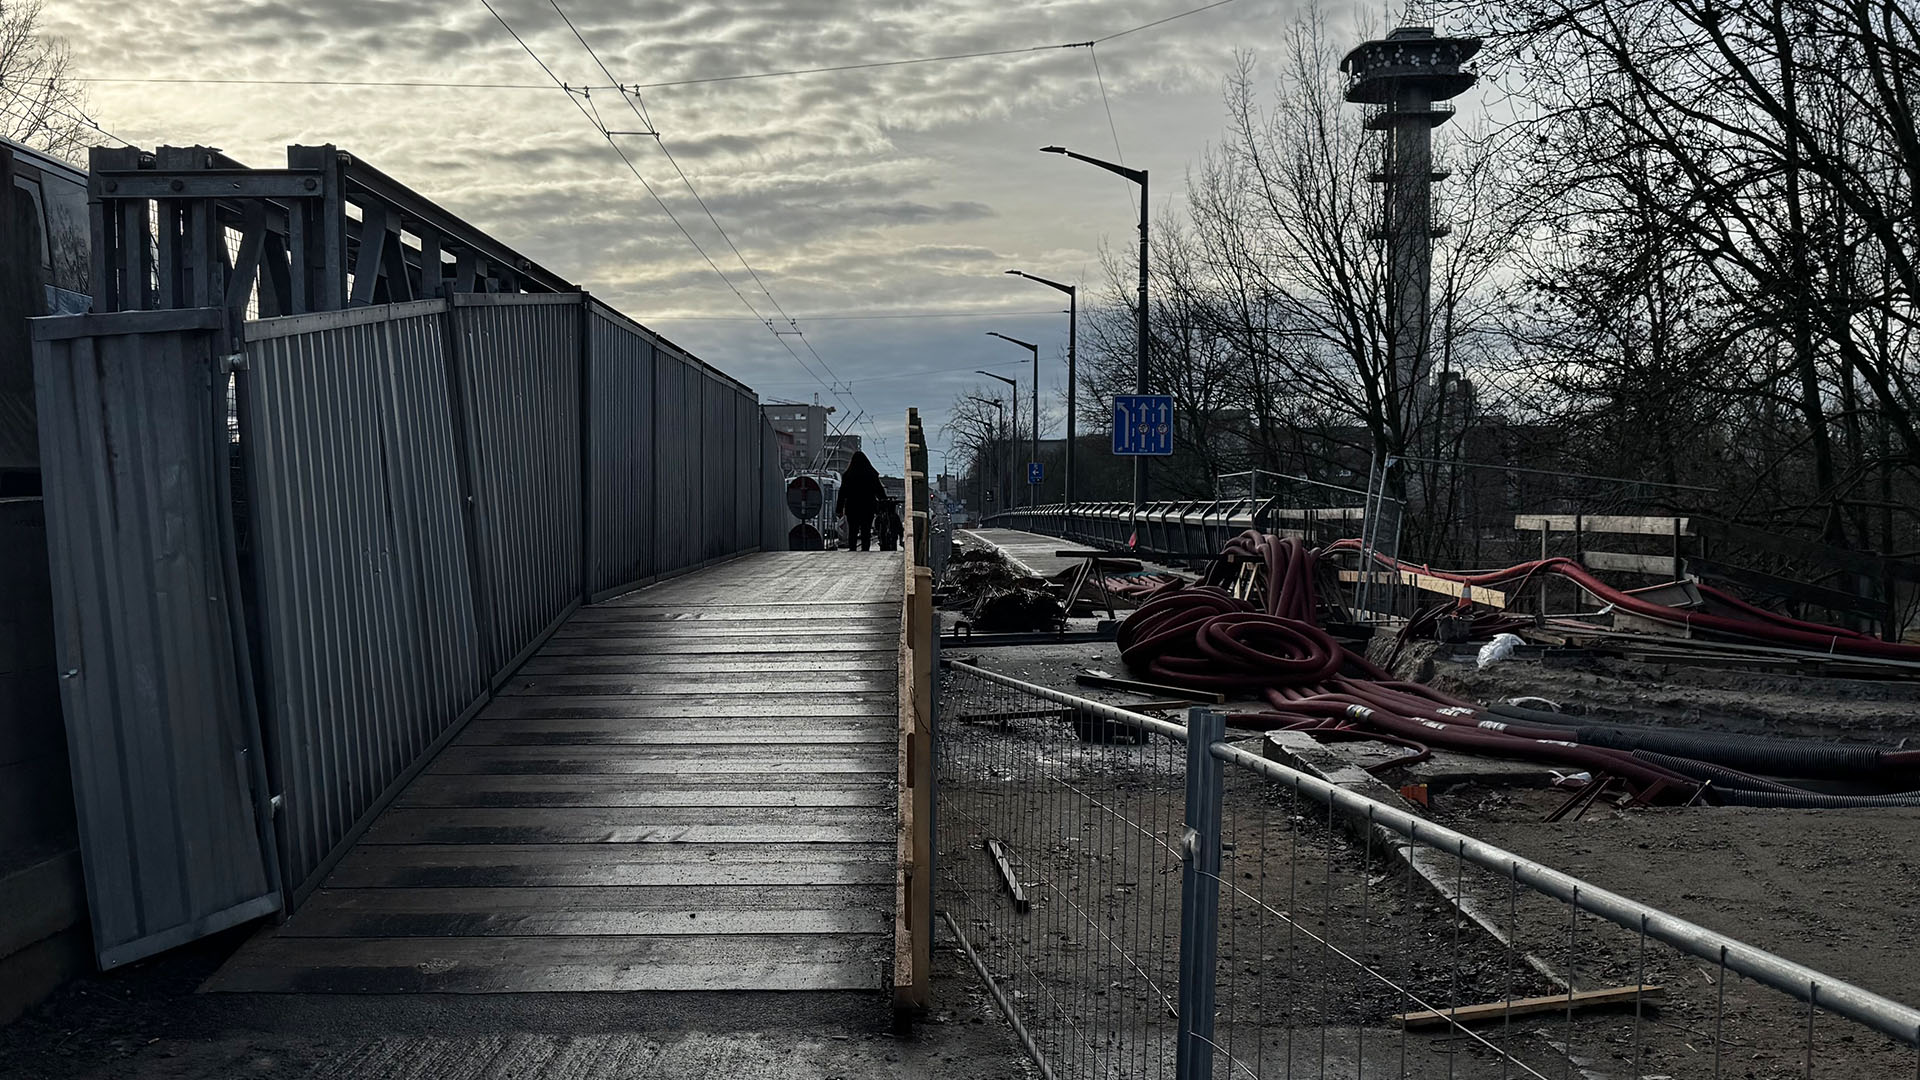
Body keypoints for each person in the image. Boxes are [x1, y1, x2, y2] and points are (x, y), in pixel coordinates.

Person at [835, 451, 886, 551]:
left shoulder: (847, 475)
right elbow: (879, 490)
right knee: (866, 530)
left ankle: (852, 548)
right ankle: (865, 549)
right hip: (868, 507)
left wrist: (839, 509)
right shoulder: (871, 474)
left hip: (852, 507)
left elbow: (842, 493)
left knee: (853, 530)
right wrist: (883, 501)